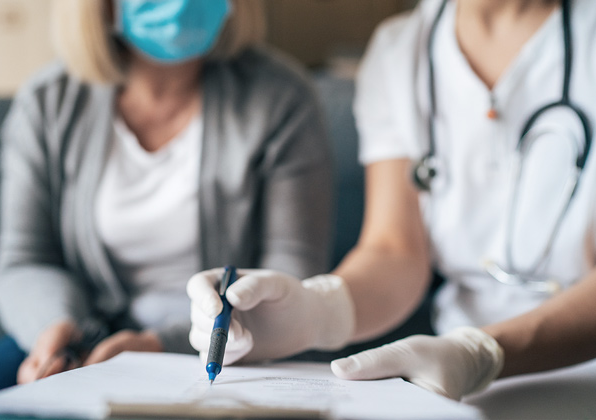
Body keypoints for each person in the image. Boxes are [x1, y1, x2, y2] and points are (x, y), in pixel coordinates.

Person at [0, 0, 333, 416]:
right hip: (80, 332)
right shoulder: (49, 100)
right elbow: (25, 257)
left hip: (222, 344)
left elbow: (291, 277)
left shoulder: (282, 97)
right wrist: (56, 327)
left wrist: (158, 346)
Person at [188, 0, 596, 401]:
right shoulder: (400, 51)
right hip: (448, 377)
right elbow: (395, 251)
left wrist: (482, 351)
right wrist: (318, 309)